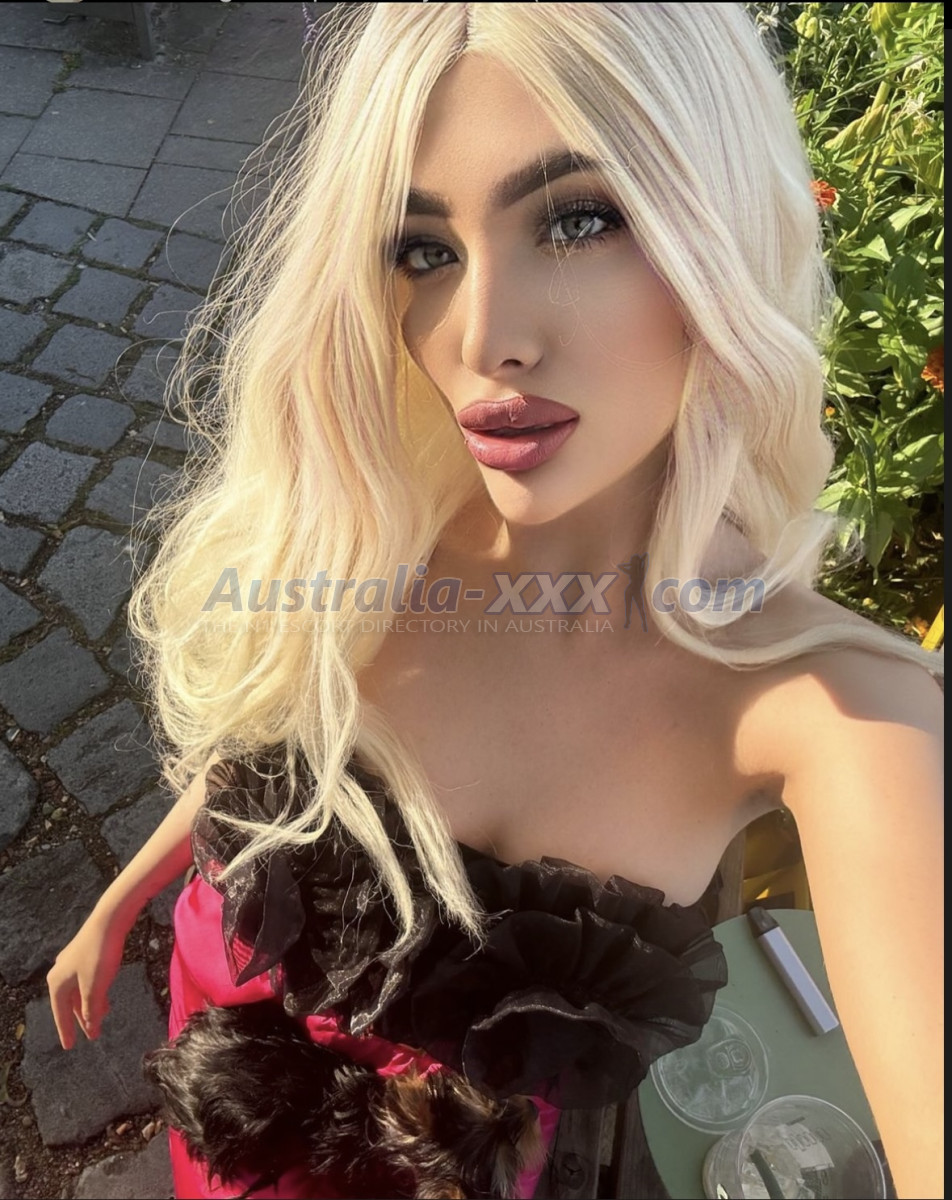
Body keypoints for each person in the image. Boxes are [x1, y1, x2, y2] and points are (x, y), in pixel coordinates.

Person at [46, 4, 943, 1198]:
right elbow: (267, 731)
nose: (482, 339)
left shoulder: (840, 714)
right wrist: (124, 894)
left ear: (721, 225)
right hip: (228, 1067)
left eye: (578, 220)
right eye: (424, 250)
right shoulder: (367, 528)